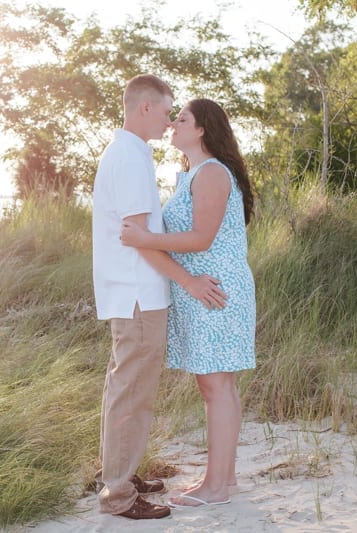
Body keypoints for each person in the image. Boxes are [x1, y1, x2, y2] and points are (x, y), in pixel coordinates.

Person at [92, 77, 228, 520]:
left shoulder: (130, 154)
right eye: (168, 110)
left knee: (126, 389)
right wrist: (188, 282)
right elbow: (140, 239)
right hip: (137, 295)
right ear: (145, 108)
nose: (171, 119)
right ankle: (118, 495)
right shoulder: (130, 159)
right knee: (131, 393)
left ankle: (121, 475)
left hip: (134, 293)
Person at [120, 98, 256, 508]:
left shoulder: (212, 173)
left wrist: (147, 240)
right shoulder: (192, 174)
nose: (174, 124)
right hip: (203, 287)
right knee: (218, 385)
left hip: (213, 287)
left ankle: (215, 487)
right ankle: (224, 481)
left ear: (201, 130)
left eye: (182, 119)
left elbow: (201, 238)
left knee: (216, 386)